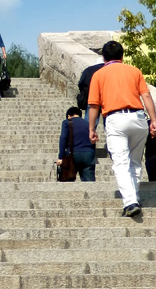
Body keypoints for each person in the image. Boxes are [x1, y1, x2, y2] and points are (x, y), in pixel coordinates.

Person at [88, 40, 156, 217]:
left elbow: (94, 105)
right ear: (122, 56)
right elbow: (146, 95)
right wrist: (154, 120)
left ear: (104, 58)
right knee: (134, 161)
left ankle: (130, 201)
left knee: (120, 162)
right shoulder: (134, 71)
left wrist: (91, 128)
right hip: (138, 118)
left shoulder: (99, 75)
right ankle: (134, 194)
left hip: (115, 119)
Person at [56, 106, 96, 182]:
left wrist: (60, 157)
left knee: (67, 180)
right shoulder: (88, 124)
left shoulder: (66, 122)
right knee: (89, 183)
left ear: (69, 116)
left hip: (73, 155)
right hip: (88, 155)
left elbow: (63, 138)